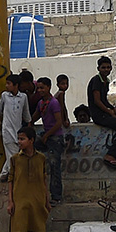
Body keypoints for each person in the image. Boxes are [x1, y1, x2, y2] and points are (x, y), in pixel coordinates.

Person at [8, 126, 49, 232]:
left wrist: (47, 200)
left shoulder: (41, 159)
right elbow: (10, 180)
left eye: (22, 139)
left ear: (31, 140)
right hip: (20, 202)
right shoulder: (15, 159)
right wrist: (10, 201)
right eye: (18, 139)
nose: (19, 142)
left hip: (37, 201)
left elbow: (44, 180)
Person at [87, 56, 116, 170]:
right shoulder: (96, 80)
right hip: (98, 115)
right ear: (98, 68)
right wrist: (109, 112)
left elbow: (104, 100)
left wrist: (113, 108)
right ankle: (111, 155)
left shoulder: (106, 81)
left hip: (103, 113)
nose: (106, 69)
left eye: (108, 67)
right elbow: (97, 100)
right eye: (103, 67)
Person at [0, 74, 31, 181]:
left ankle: (4, 174)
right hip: (7, 130)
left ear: (16, 85)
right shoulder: (4, 96)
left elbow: (26, 113)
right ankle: (12, 177)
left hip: (18, 130)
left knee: (13, 155)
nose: (6, 86)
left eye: (9, 84)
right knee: (13, 155)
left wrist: (29, 124)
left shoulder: (23, 97)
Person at [34, 77, 65, 205]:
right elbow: (36, 115)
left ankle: (56, 196)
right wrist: (29, 123)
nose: (40, 90)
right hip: (47, 136)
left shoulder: (53, 103)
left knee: (54, 167)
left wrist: (47, 135)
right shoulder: (41, 103)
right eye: (38, 88)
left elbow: (59, 122)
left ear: (48, 88)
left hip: (55, 138)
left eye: (42, 88)